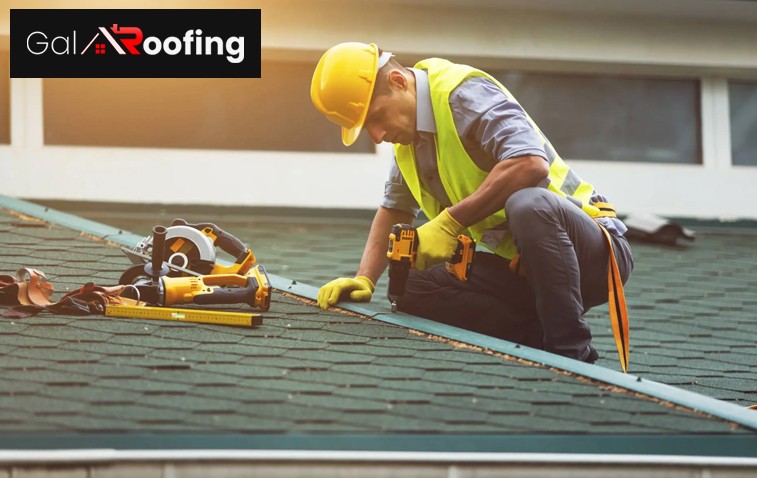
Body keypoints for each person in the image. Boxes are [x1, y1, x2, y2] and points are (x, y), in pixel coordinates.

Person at [309, 42, 633, 366]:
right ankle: (538, 339)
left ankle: (571, 355)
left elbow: (530, 163)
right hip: (530, 272)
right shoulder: (408, 139)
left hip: (595, 254)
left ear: (398, 81)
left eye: (377, 117)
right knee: (411, 287)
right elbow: (395, 207)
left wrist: (450, 223)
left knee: (528, 204)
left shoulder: (462, 95)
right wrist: (365, 278)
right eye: (367, 128)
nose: (377, 136)